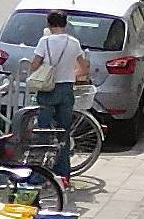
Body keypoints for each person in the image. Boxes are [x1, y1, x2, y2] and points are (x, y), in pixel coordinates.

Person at [20, 11, 93, 182]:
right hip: (67, 89)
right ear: (65, 24)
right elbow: (83, 67)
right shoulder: (74, 43)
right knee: (64, 132)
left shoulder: (44, 41)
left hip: (48, 90)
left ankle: (40, 175)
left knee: (43, 131)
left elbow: (34, 65)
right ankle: (63, 174)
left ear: (49, 25)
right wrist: (72, 75)